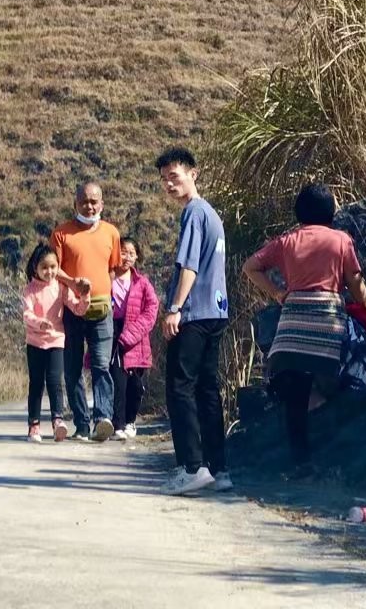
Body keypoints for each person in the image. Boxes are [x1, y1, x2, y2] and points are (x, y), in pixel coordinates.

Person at [243, 183, 366, 474]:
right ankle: (338, 455)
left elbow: (250, 267)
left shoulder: (287, 240)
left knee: (295, 397)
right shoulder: (340, 240)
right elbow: (355, 281)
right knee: (339, 382)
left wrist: (277, 293)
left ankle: (301, 462)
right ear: (330, 209)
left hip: (292, 325)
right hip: (327, 321)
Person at [156, 146, 232, 495]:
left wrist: (174, 308)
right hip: (216, 312)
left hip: (195, 313)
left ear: (193, 174)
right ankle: (219, 469)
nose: (169, 184)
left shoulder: (194, 213)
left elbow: (189, 266)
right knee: (207, 390)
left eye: (174, 176)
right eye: (164, 180)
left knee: (180, 388)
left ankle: (192, 466)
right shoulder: (213, 215)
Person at [50, 183, 122, 441]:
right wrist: (74, 284)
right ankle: (81, 425)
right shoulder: (61, 233)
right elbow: (52, 268)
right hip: (71, 310)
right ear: (75, 204)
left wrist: (101, 289)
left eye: (94, 201)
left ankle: (103, 418)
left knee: (102, 365)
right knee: (72, 368)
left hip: (102, 309)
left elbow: (113, 268)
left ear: (101, 204)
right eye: (84, 202)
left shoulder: (112, 233)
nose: (89, 206)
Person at [21, 244, 89, 443]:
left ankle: (57, 421)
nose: (49, 271)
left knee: (54, 381)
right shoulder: (29, 290)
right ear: (35, 267)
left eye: (53, 267)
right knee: (36, 383)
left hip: (56, 340)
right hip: (34, 341)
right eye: (44, 267)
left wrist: (85, 295)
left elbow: (78, 309)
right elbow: (27, 314)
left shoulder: (60, 287)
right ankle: (34, 425)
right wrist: (39, 322)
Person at [110, 238, 159, 441]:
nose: (127, 257)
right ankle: (117, 424)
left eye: (131, 253)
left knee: (135, 385)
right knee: (118, 382)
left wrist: (131, 334)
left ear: (137, 256)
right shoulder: (107, 278)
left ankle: (130, 421)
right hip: (113, 332)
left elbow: (152, 309)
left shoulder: (142, 283)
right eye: (123, 252)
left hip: (137, 337)